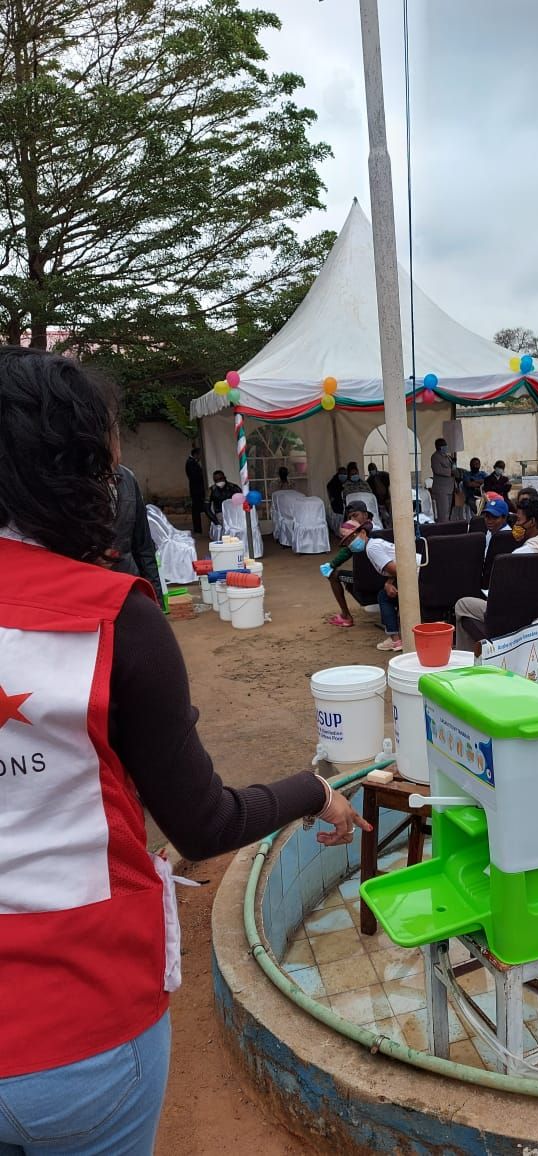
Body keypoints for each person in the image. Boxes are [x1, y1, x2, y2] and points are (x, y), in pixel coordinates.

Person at [0, 346, 371, 1154]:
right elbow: (201, 825)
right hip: (81, 1025)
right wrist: (312, 790)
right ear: (75, 468)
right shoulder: (113, 619)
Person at [454, 497, 538, 649]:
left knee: (462, 604)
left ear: (532, 522)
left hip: (513, 616)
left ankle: (468, 659)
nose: (516, 524)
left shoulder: (519, 555)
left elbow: (502, 595)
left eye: (519, 519)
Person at [339, 520, 421, 652]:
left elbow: (398, 570)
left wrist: (390, 584)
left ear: (363, 532)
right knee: (385, 594)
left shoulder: (372, 548)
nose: (350, 543)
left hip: (417, 573)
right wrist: (389, 582)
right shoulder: (373, 545)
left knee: (383, 597)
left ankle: (395, 639)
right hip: (418, 570)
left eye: (352, 538)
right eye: (347, 542)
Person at [111, 463, 162, 602]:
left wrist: (155, 598)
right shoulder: (68, 477)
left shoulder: (127, 478)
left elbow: (143, 546)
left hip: (127, 581)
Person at [319, 503, 372, 627]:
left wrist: (332, 565)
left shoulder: (363, 532)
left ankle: (346, 616)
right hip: (380, 575)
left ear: (365, 514)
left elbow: (347, 551)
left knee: (333, 575)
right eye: (350, 517)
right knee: (348, 581)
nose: (353, 520)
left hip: (369, 577)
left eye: (355, 515)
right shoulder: (377, 526)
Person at [430, 437, 455, 521]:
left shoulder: (447, 456)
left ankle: (447, 528)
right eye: (444, 445)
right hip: (441, 489)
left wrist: (454, 465)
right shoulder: (435, 457)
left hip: (449, 488)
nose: (446, 447)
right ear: (439, 447)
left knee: (447, 512)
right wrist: (450, 472)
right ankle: (443, 529)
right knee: (443, 513)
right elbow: (437, 470)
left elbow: (453, 468)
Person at [185, 445, 206, 534]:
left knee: (198, 508)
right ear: (196, 454)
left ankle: (199, 526)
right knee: (197, 508)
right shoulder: (190, 463)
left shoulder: (193, 462)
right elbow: (195, 476)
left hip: (197, 489)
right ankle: (198, 527)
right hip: (196, 489)